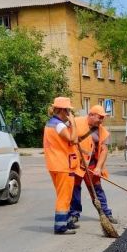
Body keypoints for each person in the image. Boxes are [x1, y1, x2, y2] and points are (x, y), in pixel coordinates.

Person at [68, 104, 118, 225]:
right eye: (99, 117)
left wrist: (98, 167)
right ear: (90, 115)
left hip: (92, 165)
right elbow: (65, 137)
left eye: (103, 117)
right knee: (75, 189)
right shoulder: (76, 122)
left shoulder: (102, 131)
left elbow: (104, 150)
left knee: (97, 189)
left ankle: (106, 213)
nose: (102, 120)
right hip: (77, 164)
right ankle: (74, 214)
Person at [43, 96, 80, 235]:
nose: (70, 114)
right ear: (63, 111)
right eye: (69, 111)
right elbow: (73, 139)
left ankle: (67, 221)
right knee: (64, 197)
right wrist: (73, 124)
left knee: (63, 195)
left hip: (54, 164)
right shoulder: (59, 125)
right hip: (63, 165)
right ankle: (60, 226)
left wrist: (69, 125)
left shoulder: (50, 124)